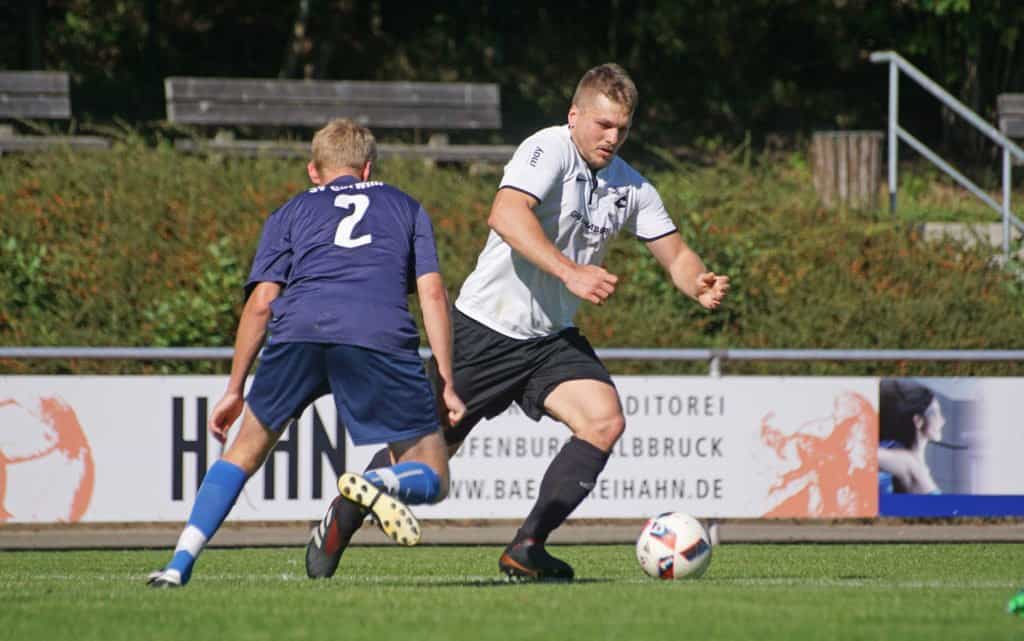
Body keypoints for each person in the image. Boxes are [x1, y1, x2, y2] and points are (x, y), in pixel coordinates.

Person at [307, 63, 729, 582]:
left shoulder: (631, 186)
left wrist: (697, 281)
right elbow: (506, 214)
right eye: (603, 124)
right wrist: (570, 272)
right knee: (424, 456)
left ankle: (527, 547)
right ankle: (343, 516)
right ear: (574, 116)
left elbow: (676, 253)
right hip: (483, 330)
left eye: (622, 128)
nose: (612, 137)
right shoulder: (548, 148)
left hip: (548, 340)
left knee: (604, 420)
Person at [147, 118, 465, 588]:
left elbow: (262, 303)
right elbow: (433, 293)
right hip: (375, 332)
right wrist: (447, 380)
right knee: (433, 477)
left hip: (299, 329)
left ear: (314, 171)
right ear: (368, 168)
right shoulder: (406, 207)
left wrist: (234, 388)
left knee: (242, 453)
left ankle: (178, 564)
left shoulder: (290, 212)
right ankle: (375, 483)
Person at [877, 378, 945, 495]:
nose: (942, 421)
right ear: (918, 421)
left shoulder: (913, 463)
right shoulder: (908, 463)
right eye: (936, 414)